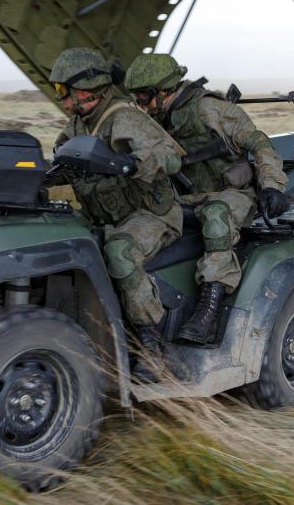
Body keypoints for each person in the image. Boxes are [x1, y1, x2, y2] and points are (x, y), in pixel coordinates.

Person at [124, 54, 289, 344]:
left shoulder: (210, 109)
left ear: (165, 91)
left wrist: (272, 184)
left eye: (144, 96)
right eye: (135, 97)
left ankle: (208, 312)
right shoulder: (151, 119)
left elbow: (259, 142)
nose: (140, 104)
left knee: (215, 213)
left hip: (231, 195)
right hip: (184, 198)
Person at [50, 47, 184, 381]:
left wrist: (131, 164)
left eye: (62, 90)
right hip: (104, 217)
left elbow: (170, 156)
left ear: (86, 89)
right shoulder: (78, 125)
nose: (61, 99)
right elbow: (61, 164)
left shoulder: (124, 118)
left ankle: (155, 351)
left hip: (150, 215)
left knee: (119, 253)